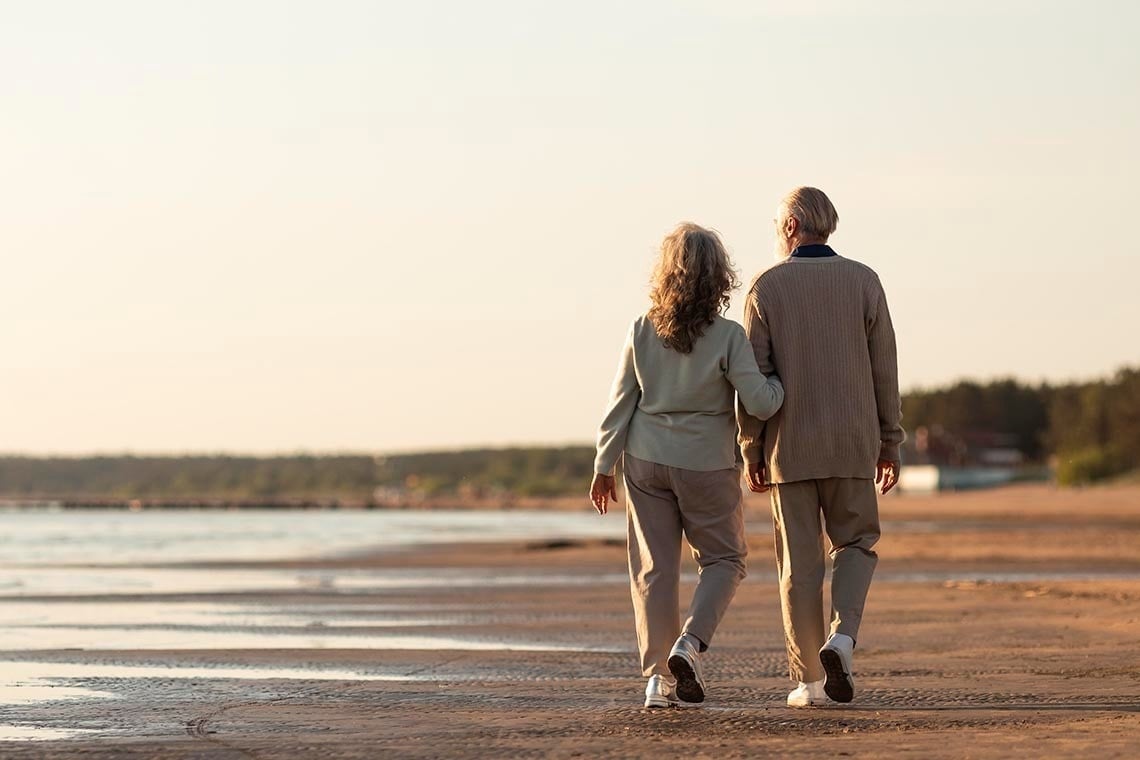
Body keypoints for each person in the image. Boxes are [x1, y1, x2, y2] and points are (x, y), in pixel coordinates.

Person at [590, 222, 785, 709]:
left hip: (645, 459)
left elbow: (620, 405)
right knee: (724, 560)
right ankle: (690, 644)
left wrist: (602, 466)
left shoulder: (641, 329)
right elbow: (760, 403)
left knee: (654, 571)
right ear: (719, 277)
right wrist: (781, 383)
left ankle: (656, 681)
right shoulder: (728, 336)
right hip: (706, 463)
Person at [736, 187, 903, 708]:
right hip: (854, 442)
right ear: (827, 224)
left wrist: (751, 450)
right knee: (855, 545)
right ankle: (843, 639)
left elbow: (753, 379)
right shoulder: (864, 281)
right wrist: (890, 441)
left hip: (791, 448)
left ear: (789, 228)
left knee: (799, 566)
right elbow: (885, 370)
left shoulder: (766, 288)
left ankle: (809, 682)